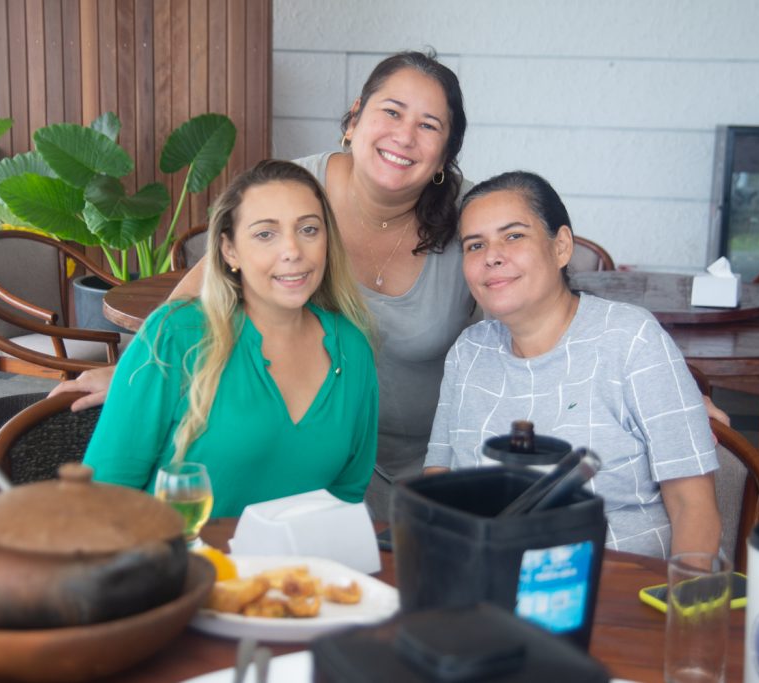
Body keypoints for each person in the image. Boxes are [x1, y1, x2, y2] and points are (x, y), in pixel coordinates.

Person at [56, 51, 476, 519]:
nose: (404, 135)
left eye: (429, 125)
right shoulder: (290, 191)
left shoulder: (358, 344)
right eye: (392, 111)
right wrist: (143, 374)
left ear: (446, 154)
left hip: (403, 466)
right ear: (354, 118)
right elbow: (198, 297)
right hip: (243, 485)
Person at [423, 171, 721, 559]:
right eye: (475, 245)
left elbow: (693, 507)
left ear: (561, 246)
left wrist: (683, 611)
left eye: (513, 236)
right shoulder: (468, 352)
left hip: (616, 592)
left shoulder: (630, 339)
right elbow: (438, 483)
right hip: (486, 588)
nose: (492, 256)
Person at [82, 160, 378, 517]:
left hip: (293, 572)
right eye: (265, 234)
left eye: (309, 230)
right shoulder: (176, 334)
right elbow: (103, 497)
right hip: (171, 566)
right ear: (229, 250)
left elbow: (347, 494)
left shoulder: (352, 349)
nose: (293, 250)